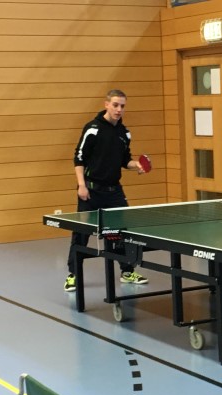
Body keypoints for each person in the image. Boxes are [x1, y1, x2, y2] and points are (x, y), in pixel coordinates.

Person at [64, 89, 149, 292]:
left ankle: (127, 271)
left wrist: (136, 165)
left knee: (121, 232)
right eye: (115, 105)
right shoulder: (92, 129)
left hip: (114, 192)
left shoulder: (124, 133)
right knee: (81, 234)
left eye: (122, 106)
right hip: (91, 191)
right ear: (106, 105)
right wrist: (81, 185)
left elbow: (125, 160)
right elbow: (79, 158)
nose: (119, 109)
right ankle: (73, 275)